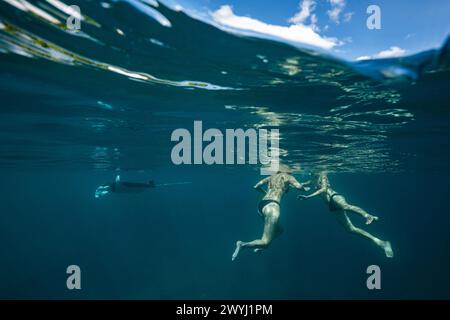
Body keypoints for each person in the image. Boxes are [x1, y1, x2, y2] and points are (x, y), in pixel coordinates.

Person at [297, 172, 394, 258]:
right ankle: (381, 243)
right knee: (350, 229)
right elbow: (301, 184)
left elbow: (324, 189)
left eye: (312, 171)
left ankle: (367, 215)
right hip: (332, 207)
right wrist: (297, 185)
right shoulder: (312, 179)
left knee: (345, 206)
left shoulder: (323, 175)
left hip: (334, 197)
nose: (310, 172)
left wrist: (308, 197)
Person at [232, 165, 310, 261]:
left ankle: (259, 247)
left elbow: (256, 186)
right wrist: (304, 189)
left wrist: (266, 193)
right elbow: (298, 186)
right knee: (266, 243)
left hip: (262, 205)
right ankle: (243, 245)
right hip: (273, 207)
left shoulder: (271, 177)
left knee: (280, 230)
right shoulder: (289, 177)